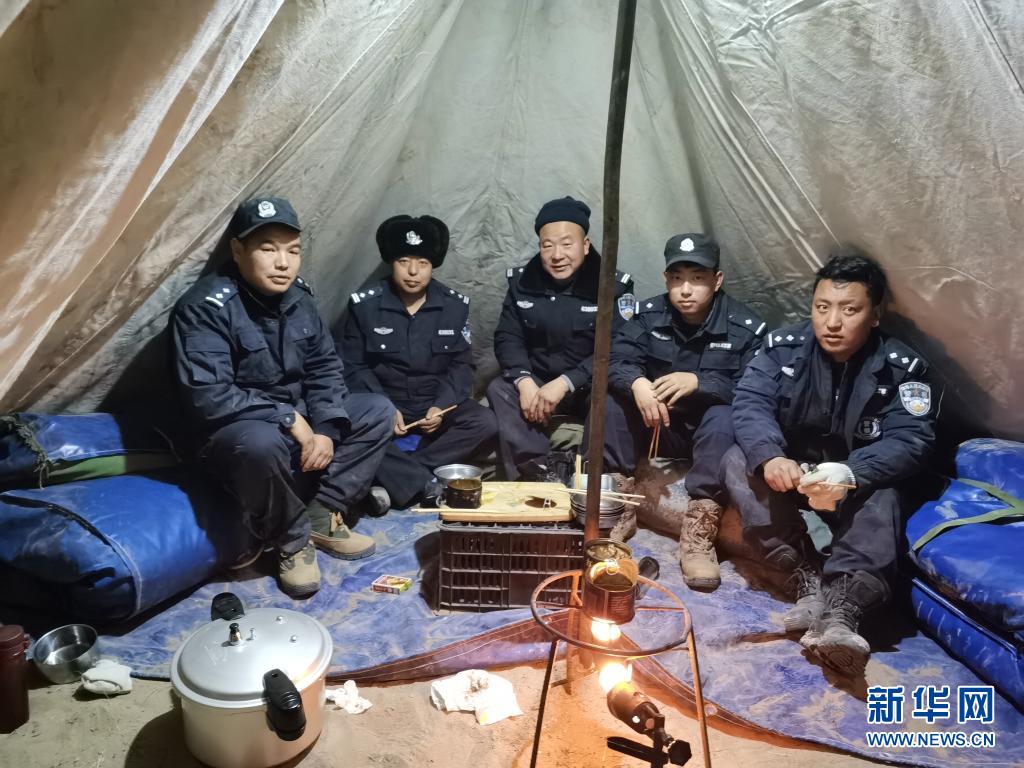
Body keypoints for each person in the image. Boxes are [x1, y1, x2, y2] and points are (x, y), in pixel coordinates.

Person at [723, 249, 937, 676]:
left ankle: (843, 610)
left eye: (849, 309)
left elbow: (912, 439)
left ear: (875, 314)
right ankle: (802, 577)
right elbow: (749, 403)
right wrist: (771, 456)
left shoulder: (903, 368)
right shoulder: (783, 349)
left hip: (854, 483)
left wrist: (852, 473)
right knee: (737, 458)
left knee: (888, 490)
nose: (832, 322)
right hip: (794, 476)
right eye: (822, 308)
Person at [172, 196, 394, 599]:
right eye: (268, 249)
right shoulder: (206, 307)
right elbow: (210, 396)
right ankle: (292, 541)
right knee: (261, 442)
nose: (283, 263)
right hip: (238, 430)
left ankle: (322, 512)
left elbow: (325, 368)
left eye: (293, 251)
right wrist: (288, 417)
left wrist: (325, 428)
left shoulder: (300, 299)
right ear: (238, 250)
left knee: (377, 410)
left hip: (299, 418)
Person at [601, 233, 766, 589]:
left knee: (724, 415)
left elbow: (756, 390)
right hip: (656, 426)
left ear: (717, 280)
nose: (686, 290)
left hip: (708, 438)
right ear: (666, 280)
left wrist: (700, 382)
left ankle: (698, 534)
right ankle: (617, 511)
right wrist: (637, 384)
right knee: (613, 402)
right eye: (677, 279)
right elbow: (614, 359)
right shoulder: (647, 315)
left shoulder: (745, 327)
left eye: (697, 278)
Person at [340, 214, 498, 508]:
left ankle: (402, 475)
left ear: (432, 265)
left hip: (433, 404)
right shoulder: (365, 305)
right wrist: (384, 408)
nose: (413, 272)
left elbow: (462, 365)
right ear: (391, 262)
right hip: (384, 403)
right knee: (343, 429)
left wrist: (441, 406)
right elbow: (353, 366)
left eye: (422, 263)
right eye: (404, 261)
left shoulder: (453, 306)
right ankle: (421, 482)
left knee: (485, 422)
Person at [488, 196, 635, 480]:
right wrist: (524, 381)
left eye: (567, 244)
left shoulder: (612, 286)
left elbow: (618, 347)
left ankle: (596, 477)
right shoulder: (521, 282)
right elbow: (508, 336)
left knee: (615, 395)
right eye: (548, 245)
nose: (557, 255)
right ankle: (535, 473)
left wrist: (566, 382)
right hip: (538, 382)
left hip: (589, 383)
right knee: (499, 389)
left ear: (585, 245)